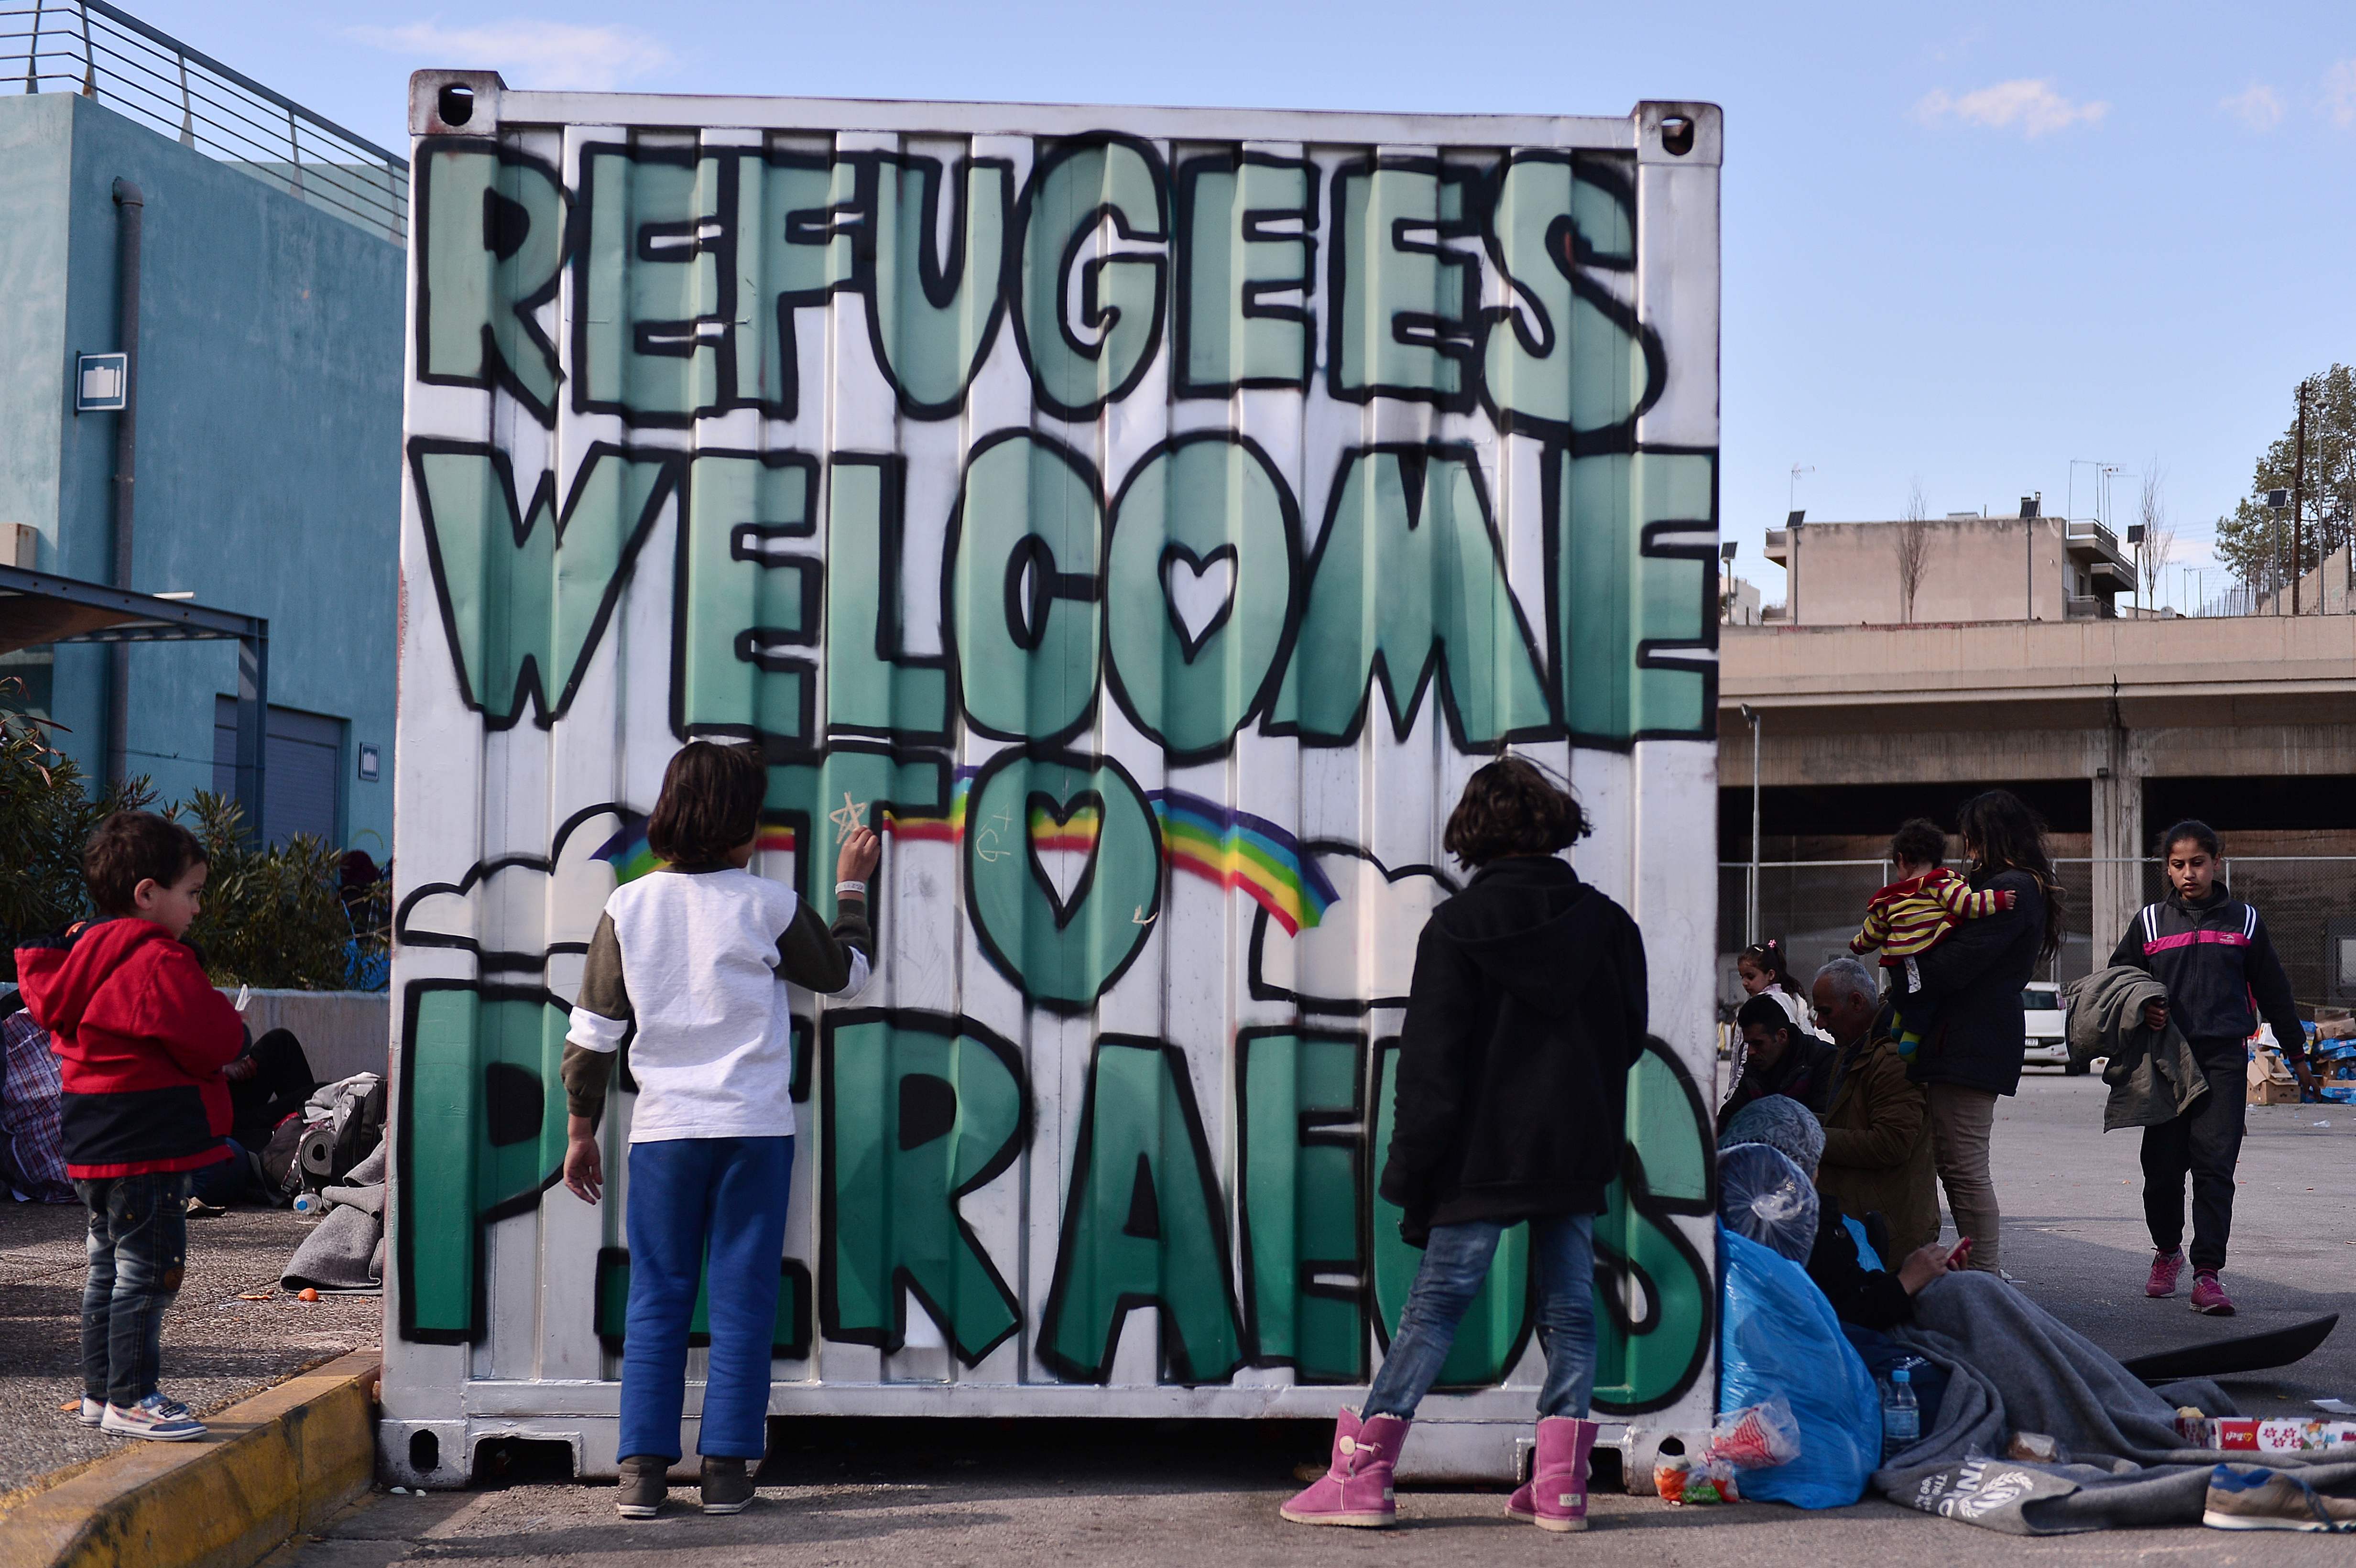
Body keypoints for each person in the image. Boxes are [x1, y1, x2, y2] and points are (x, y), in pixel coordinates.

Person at [1281, 759, 1647, 1535]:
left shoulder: (1454, 930)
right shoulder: (1608, 925)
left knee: (1435, 1307)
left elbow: (1431, 1071)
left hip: (1479, 1157)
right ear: (1551, 825)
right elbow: (1625, 1041)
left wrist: (1410, 1172)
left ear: (1473, 834)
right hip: (1573, 1149)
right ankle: (1560, 1488)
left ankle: (1364, 1478)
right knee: (1570, 1310)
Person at [560, 741, 879, 1518]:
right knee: (741, 1298)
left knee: (657, 1296)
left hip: (664, 1131)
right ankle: (727, 1473)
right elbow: (845, 976)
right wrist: (851, 887)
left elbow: (595, 1031)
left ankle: (640, 1474)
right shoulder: (765, 905)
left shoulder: (627, 908)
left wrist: (580, 1129)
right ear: (746, 828)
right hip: (753, 1132)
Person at [12, 811, 246, 1441]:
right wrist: (234, 1027)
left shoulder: (80, 958)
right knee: (151, 1270)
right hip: (146, 1145)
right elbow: (215, 1036)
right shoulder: (154, 962)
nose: (196, 909)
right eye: (192, 893)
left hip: (92, 1141)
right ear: (148, 894)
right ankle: (132, 1397)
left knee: (107, 1269)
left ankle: (100, 1393)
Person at [2105, 820, 2314, 1317]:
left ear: (2216, 862)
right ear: (2167, 869)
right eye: (2176, 865)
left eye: (2196, 863)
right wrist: (2142, 1008)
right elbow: (2118, 982)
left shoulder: (2243, 922)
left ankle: (2206, 1274)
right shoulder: (2150, 923)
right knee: (2159, 1173)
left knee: (2213, 1169)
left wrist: (2297, 1055)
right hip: (2163, 1061)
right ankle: (2166, 1252)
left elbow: (2274, 992)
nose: (2187, 874)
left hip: (2222, 1060)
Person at [1901, 789, 2061, 1277]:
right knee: (1954, 1164)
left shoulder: (2014, 890)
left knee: (1964, 1166)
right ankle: (1981, 1272)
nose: (1965, 846)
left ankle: (1986, 1274)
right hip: (1966, 1037)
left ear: (1989, 835)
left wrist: (1903, 957)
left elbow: (1951, 966)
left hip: (1969, 1039)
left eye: (1971, 835)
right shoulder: (2011, 885)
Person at [1847, 819, 2016, 1060]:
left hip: (1898, 966)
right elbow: (1967, 905)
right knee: (1925, 1003)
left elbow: (1871, 933)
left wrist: (1857, 946)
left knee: (1901, 993)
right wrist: (1999, 901)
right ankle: (1910, 1043)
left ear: (1902, 859)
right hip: (1926, 962)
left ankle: (1897, 1024)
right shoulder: (1942, 884)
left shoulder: (1888, 900)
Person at [1810, 957, 1939, 1254]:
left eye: (1826, 1012)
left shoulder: (1892, 1058)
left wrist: (1810, 1135)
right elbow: (1845, 1122)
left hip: (1889, 1237)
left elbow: (1890, 1144)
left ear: (1857, 1002)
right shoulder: (1852, 1049)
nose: (1820, 1023)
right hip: (1862, 1224)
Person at [1718, 992, 1837, 1131]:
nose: (1751, 1052)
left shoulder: (1822, 1060)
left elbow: (1820, 1126)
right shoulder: (1755, 1067)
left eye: (1758, 1044)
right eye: (1748, 1044)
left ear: (1782, 1036)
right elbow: (1729, 1116)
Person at [1737, 938, 1815, 1032]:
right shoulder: (1787, 999)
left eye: (1750, 977)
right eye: (1742, 977)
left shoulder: (1769, 1004)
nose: (1744, 983)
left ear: (1771, 975)